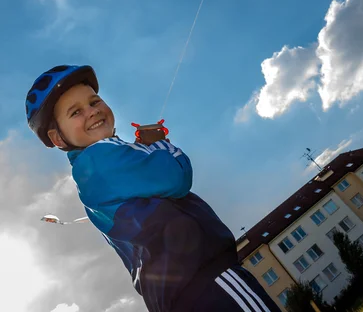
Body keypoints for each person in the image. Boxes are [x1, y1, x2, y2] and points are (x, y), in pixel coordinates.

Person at [26, 65, 281, 312]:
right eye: (75, 112)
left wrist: (141, 151)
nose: (91, 112)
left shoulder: (97, 171)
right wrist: (160, 145)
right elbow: (177, 176)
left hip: (180, 295)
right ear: (58, 138)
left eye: (94, 102)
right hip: (208, 281)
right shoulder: (97, 160)